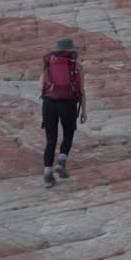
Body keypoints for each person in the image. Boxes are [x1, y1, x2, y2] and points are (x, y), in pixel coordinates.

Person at [41, 37, 87, 187]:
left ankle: (48, 175)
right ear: (71, 51)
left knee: (51, 138)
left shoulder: (48, 65)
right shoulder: (77, 66)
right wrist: (83, 110)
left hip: (49, 103)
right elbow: (81, 91)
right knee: (68, 133)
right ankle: (61, 161)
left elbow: (41, 86)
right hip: (68, 103)